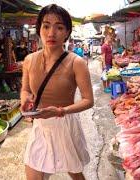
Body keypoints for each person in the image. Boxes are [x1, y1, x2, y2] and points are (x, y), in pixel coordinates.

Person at [20, 4, 94, 180]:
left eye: (59, 27)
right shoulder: (29, 60)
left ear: (67, 32)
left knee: (75, 173)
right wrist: (26, 99)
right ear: (39, 29)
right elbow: (25, 89)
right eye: (46, 26)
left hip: (65, 124)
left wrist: (61, 111)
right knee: (33, 173)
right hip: (41, 127)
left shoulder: (77, 63)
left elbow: (88, 100)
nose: (51, 33)